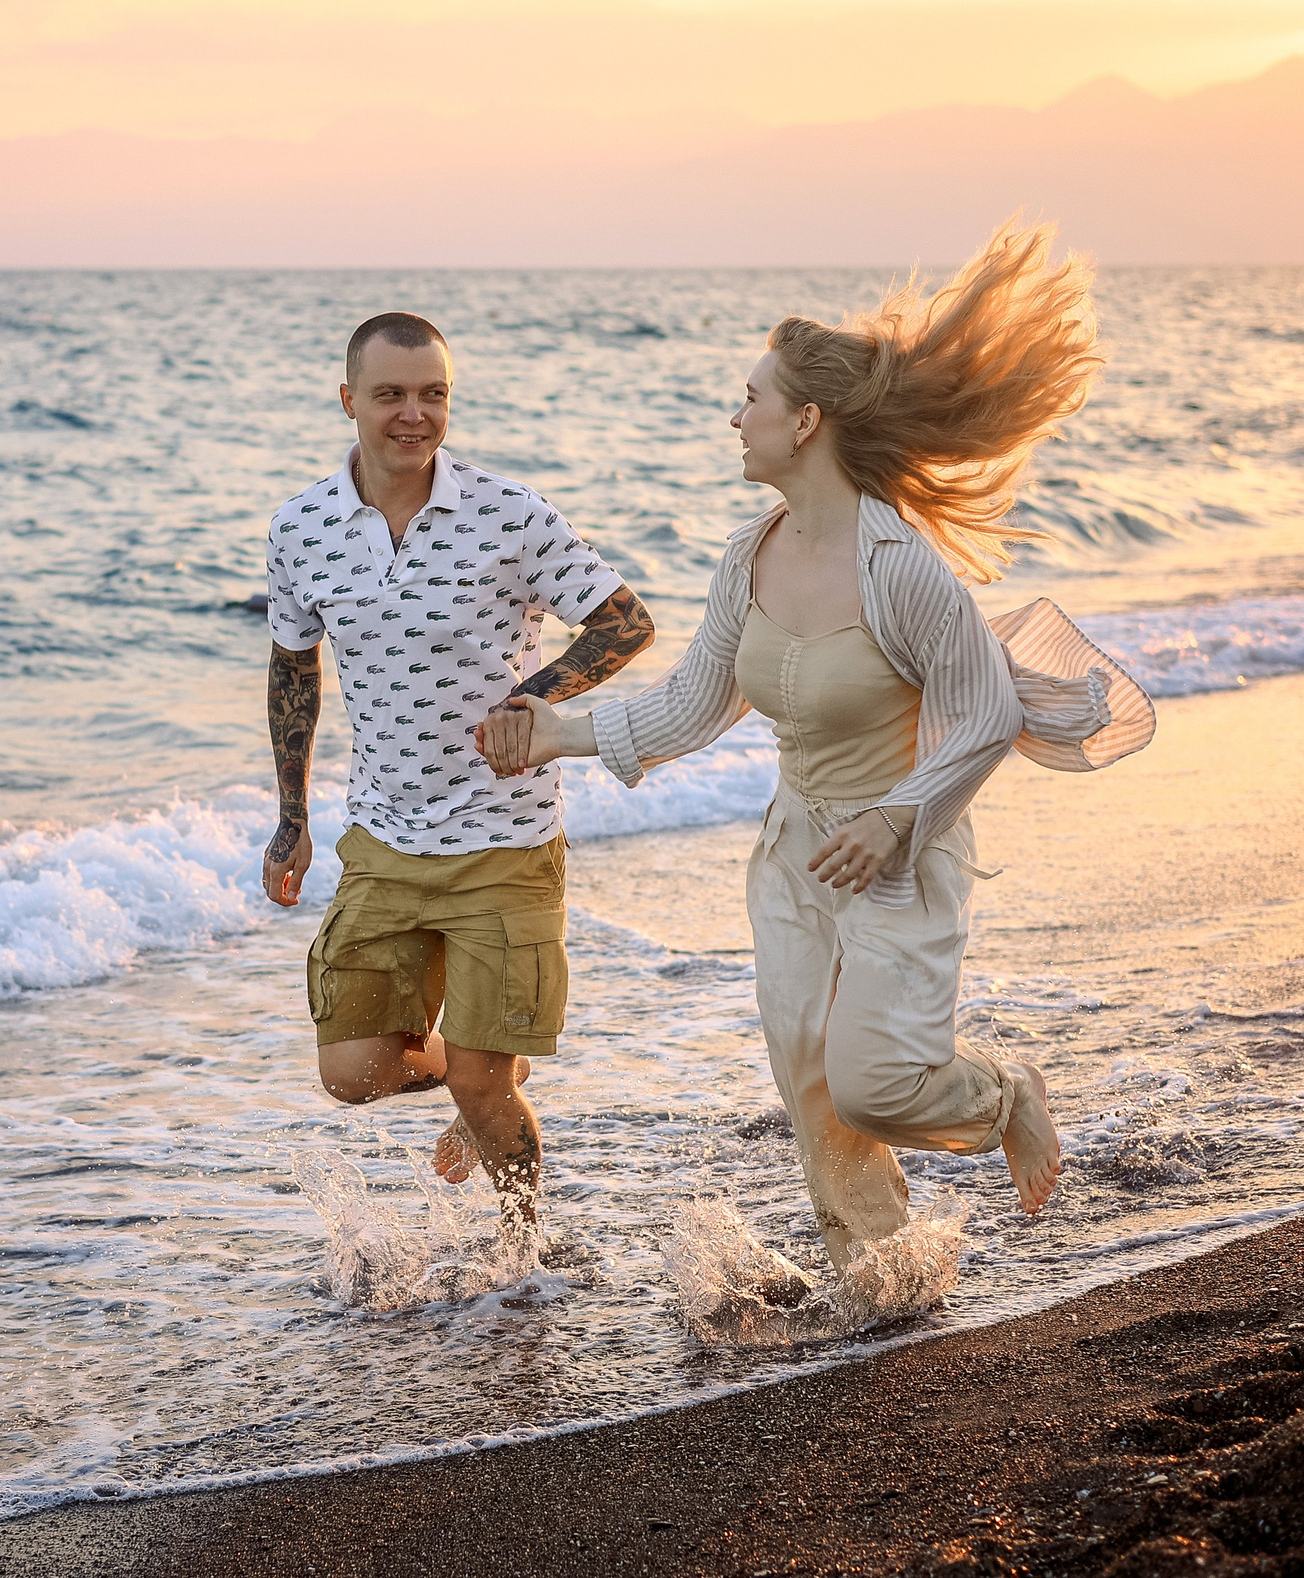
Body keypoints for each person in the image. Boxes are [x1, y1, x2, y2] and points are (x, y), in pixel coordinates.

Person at [475, 223, 1153, 1282]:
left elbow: (977, 716)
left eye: (750, 397)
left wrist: (895, 821)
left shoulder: (901, 567)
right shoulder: (747, 552)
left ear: (805, 419)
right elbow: (696, 704)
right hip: (795, 849)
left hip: (895, 857)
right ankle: (879, 1278)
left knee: (878, 1079)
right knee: (812, 1080)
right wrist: (550, 733)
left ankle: (1005, 1093)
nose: (733, 415)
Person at [261, 311, 656, 1231]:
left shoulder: (508, 514)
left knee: (486, 1093)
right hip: (385, 838)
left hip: (506, 843)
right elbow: (293, 670)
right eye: (392, 393)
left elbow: (625, 622)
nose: (414, 414)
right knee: (352, 1073)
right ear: (349, 397)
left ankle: (523, 1255)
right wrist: (293, 818)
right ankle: (478, 1064)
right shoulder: (301, 527)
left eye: (433, 394)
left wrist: (533, 704)